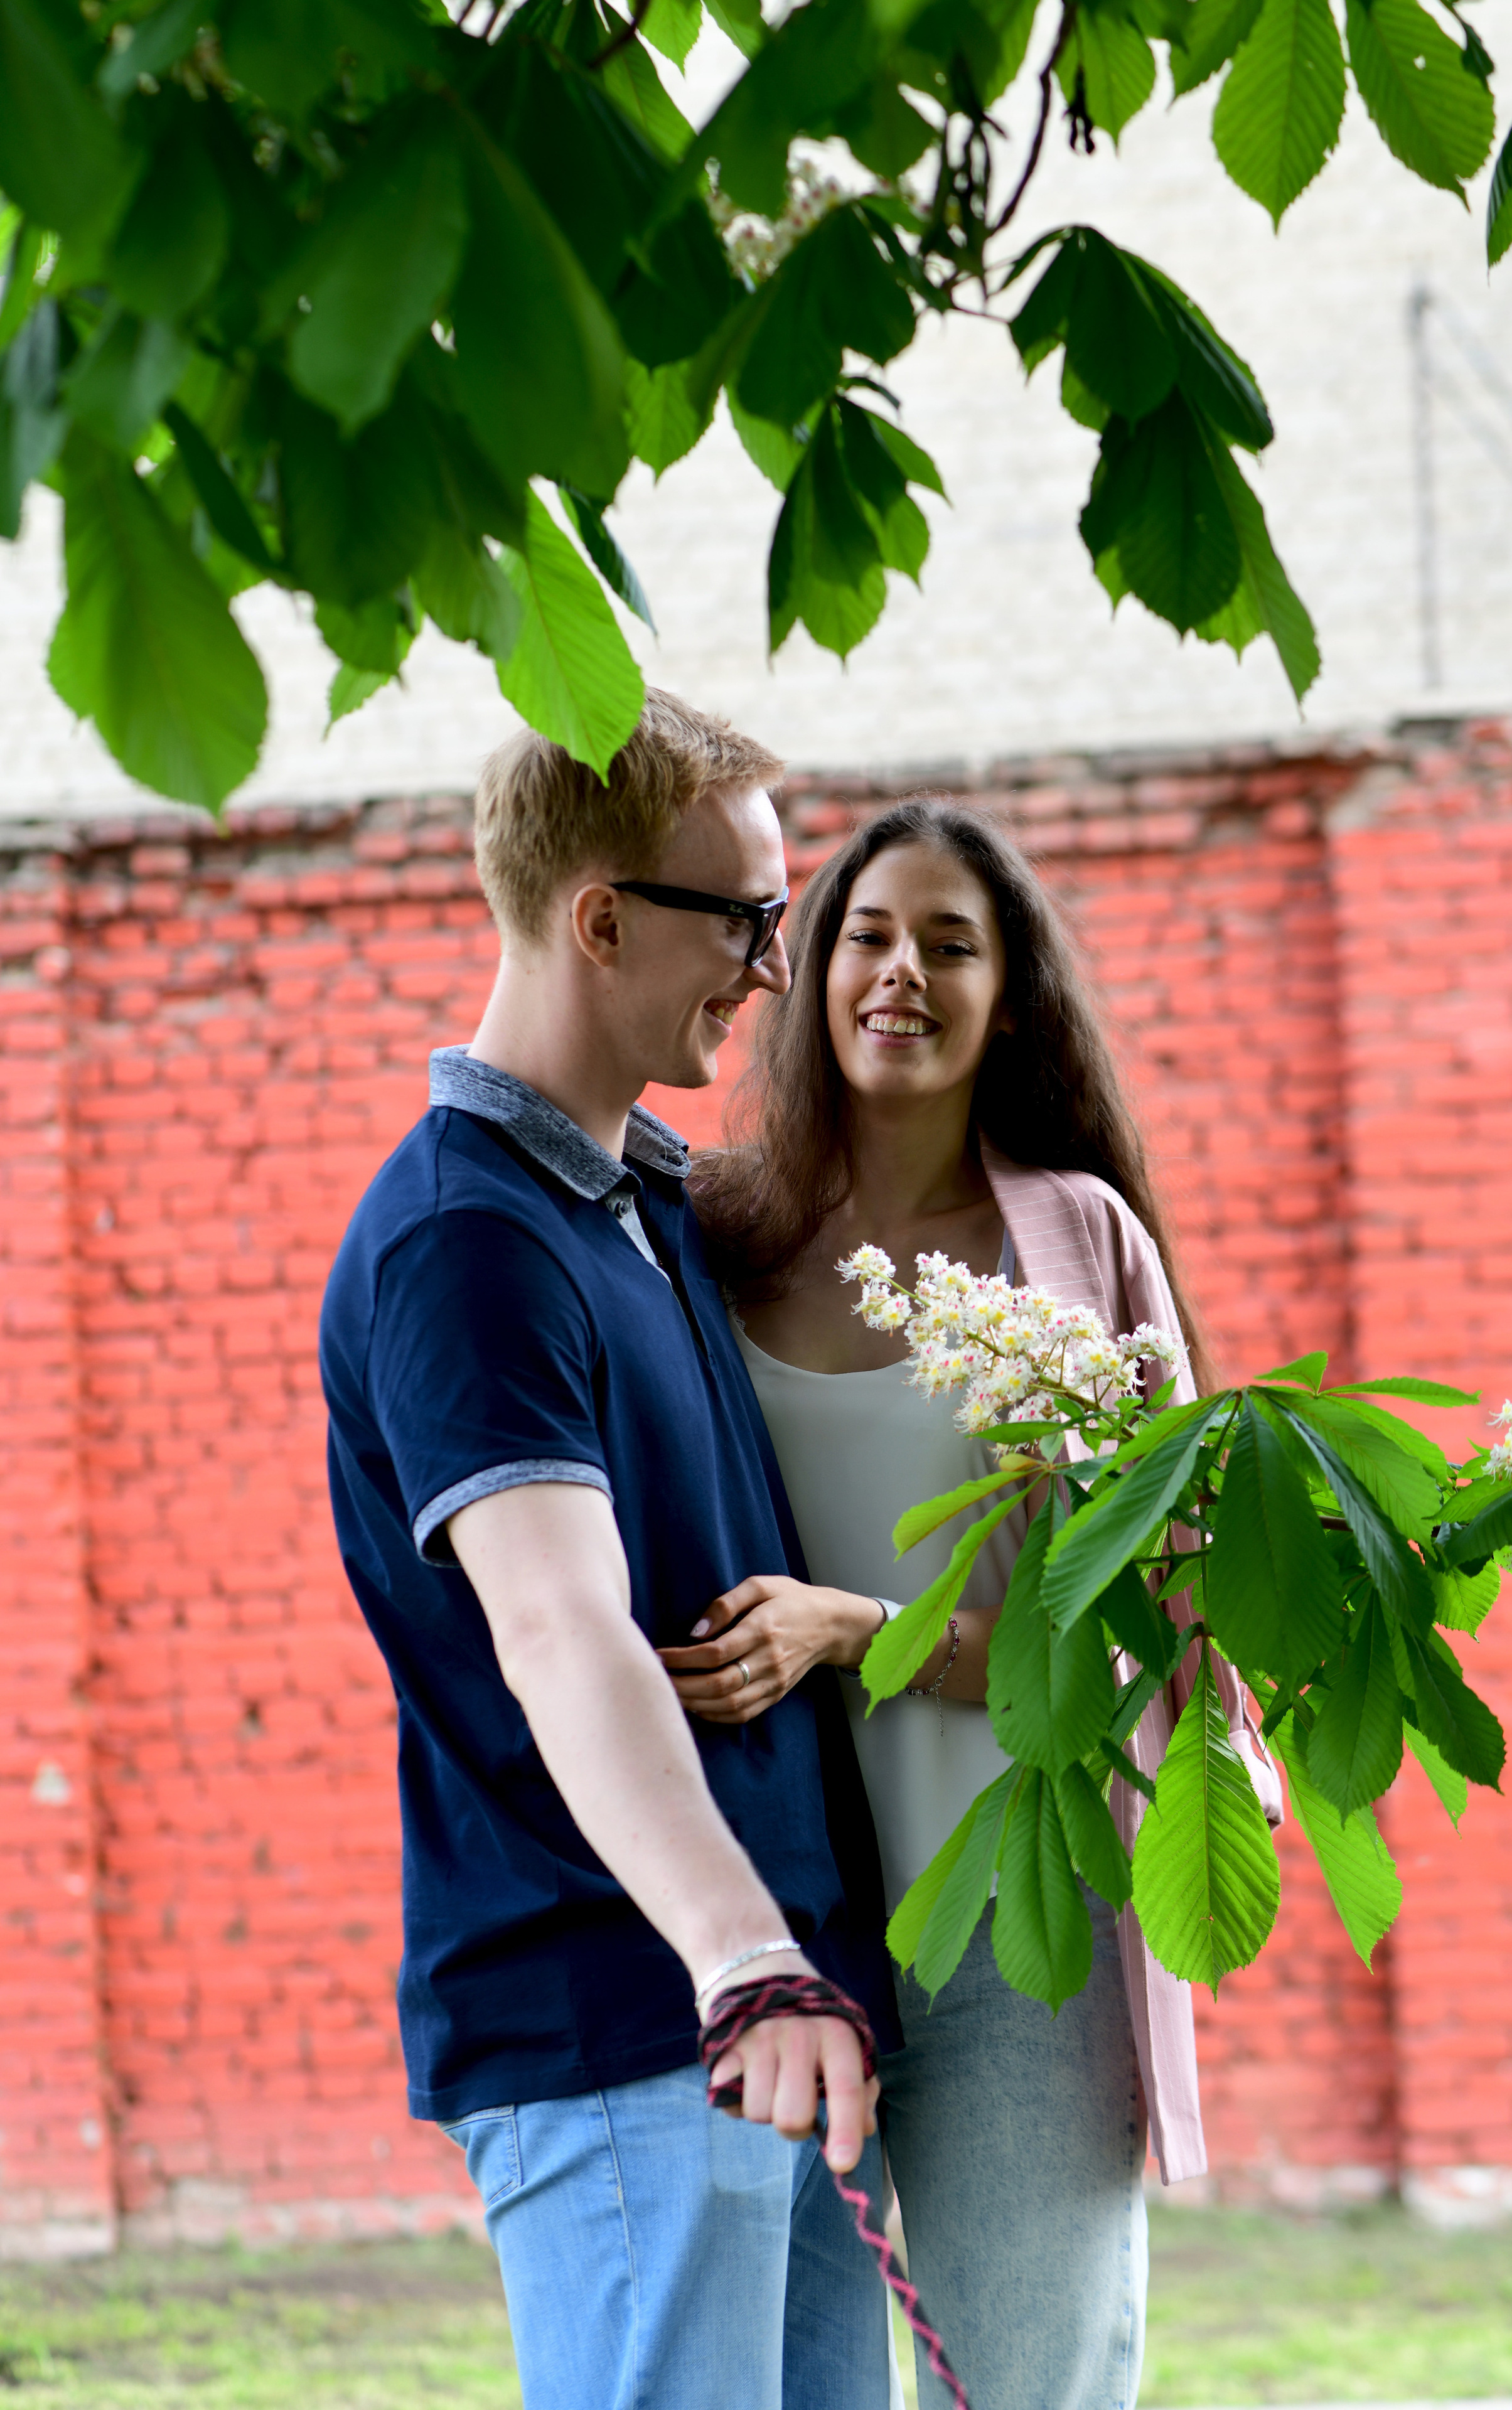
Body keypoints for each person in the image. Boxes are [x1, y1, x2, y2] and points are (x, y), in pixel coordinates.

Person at [318, 692, 908, 2410]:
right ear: (601, 917)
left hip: (787, 2027)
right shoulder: (462, 1246)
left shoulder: (644, 1201)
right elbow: (560, 1631)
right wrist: (745, 1965)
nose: (776, 970)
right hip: (639, 2028)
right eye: (749, 922)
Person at [675, 800, 1285, 2410]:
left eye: (953, 944)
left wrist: (852, 1629)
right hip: (777, 1913)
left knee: (1027, 2383)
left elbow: (1151, 1638)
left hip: (1020, 1922)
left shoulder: (1076, 1245)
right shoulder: (711, 1241)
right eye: (868, 936)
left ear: (1007, 995)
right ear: (804, 973)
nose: (903, 974)